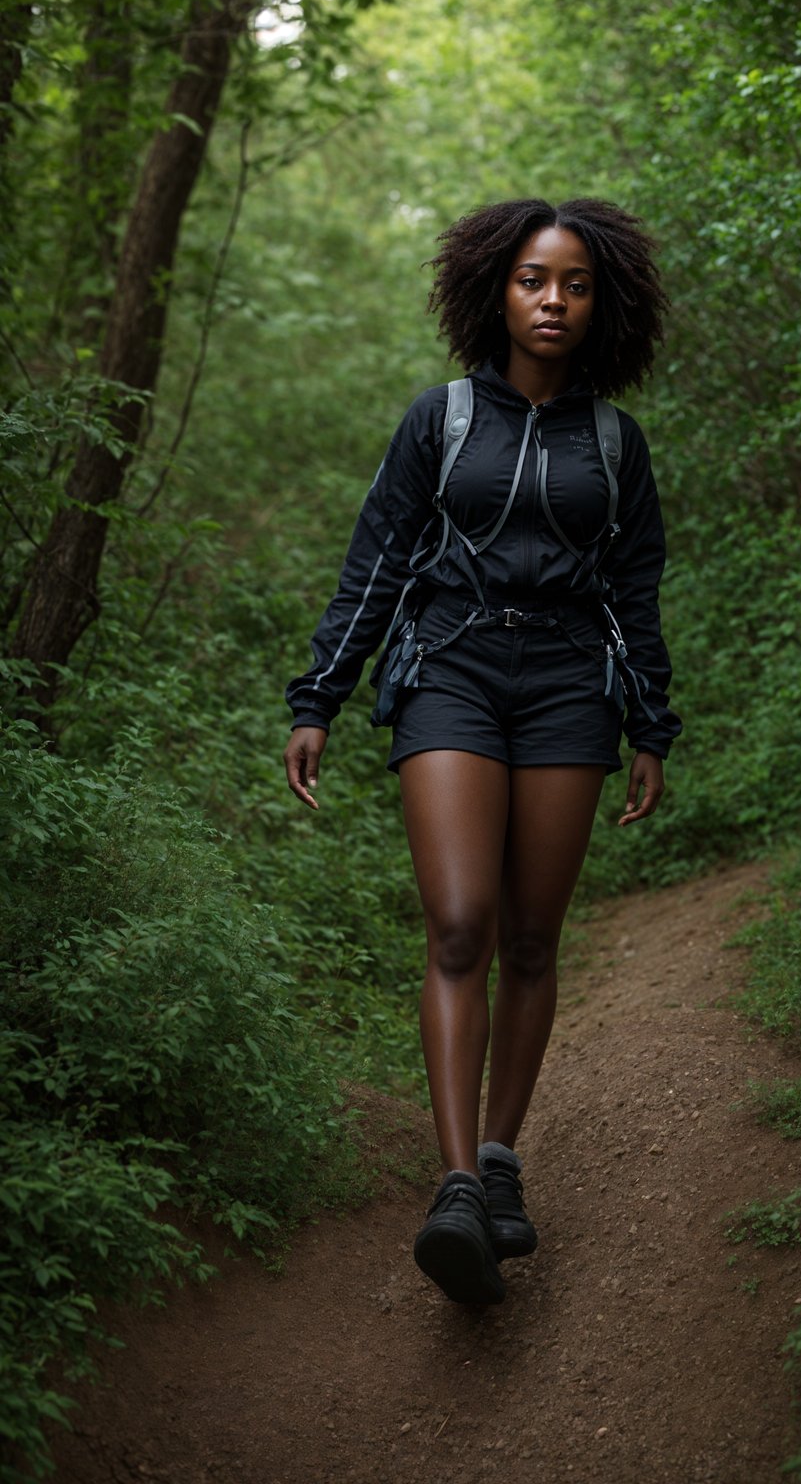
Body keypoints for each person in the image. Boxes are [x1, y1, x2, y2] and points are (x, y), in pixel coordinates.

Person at [283, 198, 681, 1306]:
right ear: (493, 294)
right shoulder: (441, 419)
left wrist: (650, 720)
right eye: (532, 281)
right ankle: (456, 1186)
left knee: (531, 939)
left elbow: (635, 590)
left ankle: (500, 1160)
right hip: (449, 672)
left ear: (602, 305)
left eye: (575, 285)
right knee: (458, 923)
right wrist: (319, 695)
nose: (552, 300)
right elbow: (375, 561)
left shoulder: (614, 442)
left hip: (566, 690)